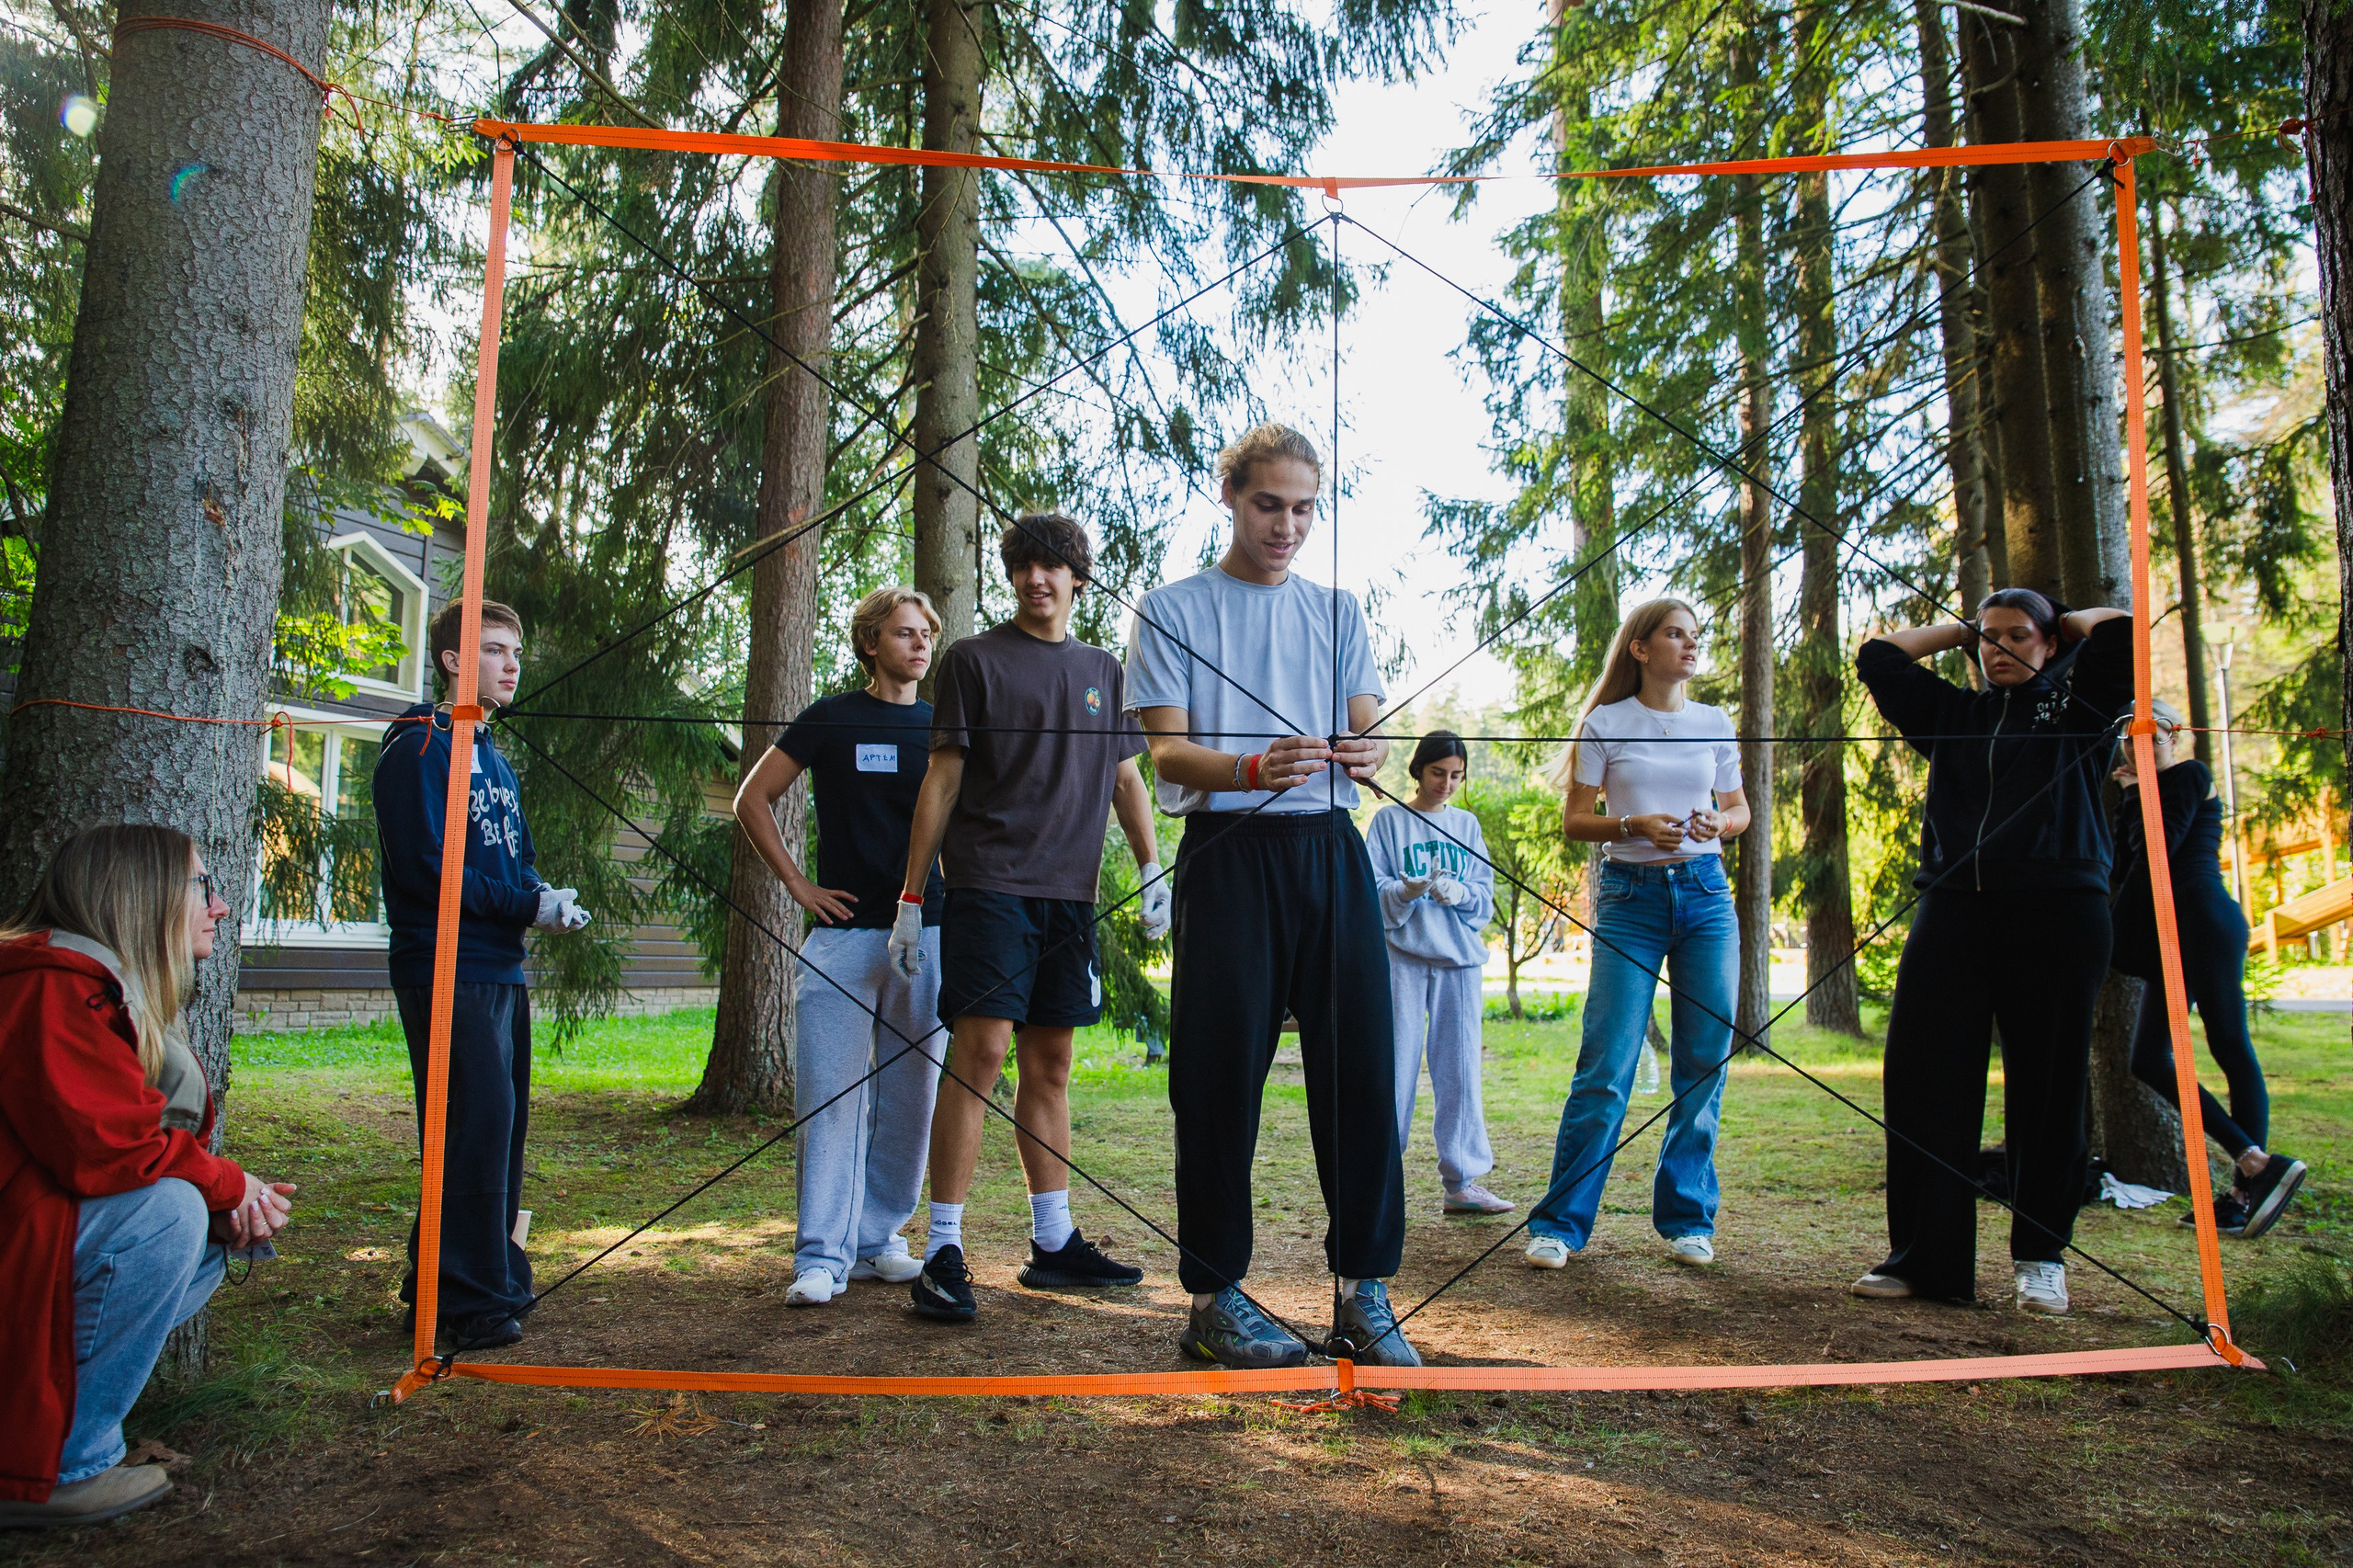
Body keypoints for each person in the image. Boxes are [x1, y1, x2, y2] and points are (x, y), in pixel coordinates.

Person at [1129, 421, 1417, 1370]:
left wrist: (1365, 749)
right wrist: (1254, 762)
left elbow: (1366, 726)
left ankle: (1363, 1291)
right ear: (1230, 497)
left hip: (1330, 848)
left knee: (1361, 1075)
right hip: (1226, 851)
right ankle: (1215, 1299)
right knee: (1214, 1078)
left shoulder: (1337, 610)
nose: (1285, 524)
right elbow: (1166, 752)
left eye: (1302, 507)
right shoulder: (1172, 609)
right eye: (1267, 504)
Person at [892, 514, 1168, 1324]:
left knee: (1050, 1067)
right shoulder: (972, 661)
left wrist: (1151, 866)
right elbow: (941, 782)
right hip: (987, 887)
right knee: (979, 1054)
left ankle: (1053, 1242)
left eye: (1052, 567)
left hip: (1071, 898)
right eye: (1023, 567)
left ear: (1078, 577)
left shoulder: (1104, 671)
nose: (1036, 580)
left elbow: (1126, 778)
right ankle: (944, 1249)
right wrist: (913, 898)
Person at [0, 824, 295, 1528]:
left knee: (204, 1231)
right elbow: (110, 1150)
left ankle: (53, 1441)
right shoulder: (48, 988)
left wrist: (224, 1199)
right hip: (19, 1242)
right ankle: (54, 1471)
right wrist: (225, 1186)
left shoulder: (95, 987)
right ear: (142, 894)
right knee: (169, 1214)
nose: (220, 907)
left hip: (33, 1235)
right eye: (203, 887)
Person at [1851, 589, 2131, 1314]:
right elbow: (1879, 658)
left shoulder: (2081, 708)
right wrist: (1963, 628)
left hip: (2059, 914)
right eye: (1990, 640)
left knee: (2047, 1087)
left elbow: (2122, 636)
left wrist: (2066, 626)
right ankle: (1925, 1261)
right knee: (1924, 1082)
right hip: (1954, 915)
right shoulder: (1956, 715)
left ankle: (2041, 1257)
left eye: (2018, 638)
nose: (2000, 650)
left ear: (2049, 643)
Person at [375, 597, 591, 1352]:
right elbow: (430, 869)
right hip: (445, 964)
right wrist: (522, 902)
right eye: (495, 650)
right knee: (474, 1123)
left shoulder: (494, 758)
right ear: (453, 660)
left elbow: (515, 860)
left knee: (499, 1130)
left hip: (502, 965)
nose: (511, 665)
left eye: (514, 651)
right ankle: (466, 1299)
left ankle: (455, 1278)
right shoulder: (418, 747)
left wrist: (545, 899)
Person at [734, 585, 949, 1304]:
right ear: (870, 643)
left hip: (930, 936)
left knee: (913, 1097)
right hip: (843, 936)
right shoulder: (830, 717)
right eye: (903, 632)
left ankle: (878, 1238)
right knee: (829, 1096)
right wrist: (798, 885)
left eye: (926, 633)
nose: (919, 644)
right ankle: (820, 1256)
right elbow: (752, 798)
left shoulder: (943, 726)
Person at [1522, 600, 1749, 1272]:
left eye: (1695, 635)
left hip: (1707, 897)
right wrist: (1634, 826)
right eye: (1676, 634)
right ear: (1642, 648)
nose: (1690, 645)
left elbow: (1736, 809)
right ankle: (1559, 1224)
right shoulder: (1607, 722)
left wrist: (1718, 824)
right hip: (1629, 898)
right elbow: (1576, 819)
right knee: (1607, 1064)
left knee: (1704, 1062)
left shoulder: (1713, 722)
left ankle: (1687, 1219)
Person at [2110, 699, 2306, 1238]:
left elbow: (2159, 848)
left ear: (2176, 736)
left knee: (2229, 1046)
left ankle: (2246, 1191)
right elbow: (2128, 866)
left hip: (2205, 920)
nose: (2139, 745)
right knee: (2148, 1059)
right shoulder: (2142, 792)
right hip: (2173, 932)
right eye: (2129, 736)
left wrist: (2132, 795)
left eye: (2152, 734)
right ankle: (2255, 1164)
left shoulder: (2189, 776)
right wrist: (2129, 800)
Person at [1365, 730, 1509, 1214]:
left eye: (1456, 776)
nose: (1446, 784)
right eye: (1438, 773)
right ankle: (1382, 1175)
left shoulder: (1466, 825)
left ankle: (1463, 1180)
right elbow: (1371, 888)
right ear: (1418, 770)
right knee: (1395, 1065)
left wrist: (1459, 893)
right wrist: (1404, 893)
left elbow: (1484, 897)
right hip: (1401, 958)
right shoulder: (1389, 821)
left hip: (1459, 961)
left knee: (1460, 1069)